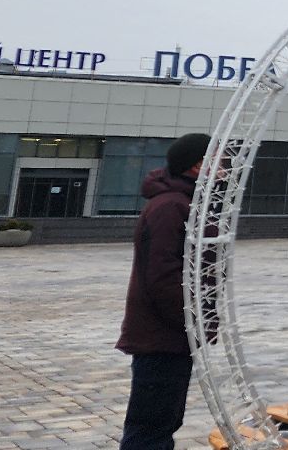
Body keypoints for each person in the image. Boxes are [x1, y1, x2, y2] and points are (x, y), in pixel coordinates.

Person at [116, 131, 211, 450]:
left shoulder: (183, 203)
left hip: (171, 336)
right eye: (219, 161)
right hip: (162, 338)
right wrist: (193, 319)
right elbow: (164, 277)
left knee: (161, 421)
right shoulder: (171, 207)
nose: (225, 169)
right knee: (151, 427)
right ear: (197, 166)